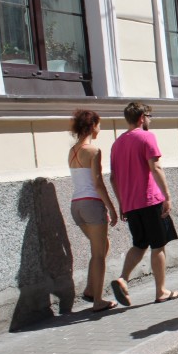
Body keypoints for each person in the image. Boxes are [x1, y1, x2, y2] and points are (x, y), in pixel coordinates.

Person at [109, 102, 178, 305]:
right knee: (158, 245)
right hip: (150, 200)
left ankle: (123, 278)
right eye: (149, 116)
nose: (150, 120)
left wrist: (122, 204)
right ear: (141, 117)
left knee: (139, 244)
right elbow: (155, 167)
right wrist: (167, 196)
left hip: (131, 204)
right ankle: (161, 291)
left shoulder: (117, 144)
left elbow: (113, 178)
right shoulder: (147, 137)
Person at [67, 110, 118, 312]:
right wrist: (112, 209)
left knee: (102, 245)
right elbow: (98, 184)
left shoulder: (72, 150)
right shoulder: (93, 150)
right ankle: (98, 300)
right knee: (98, 253)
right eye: (99, 124)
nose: (100, 128)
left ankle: (90, 289)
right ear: (92, 125)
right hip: (91, 204)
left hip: (76, 205)